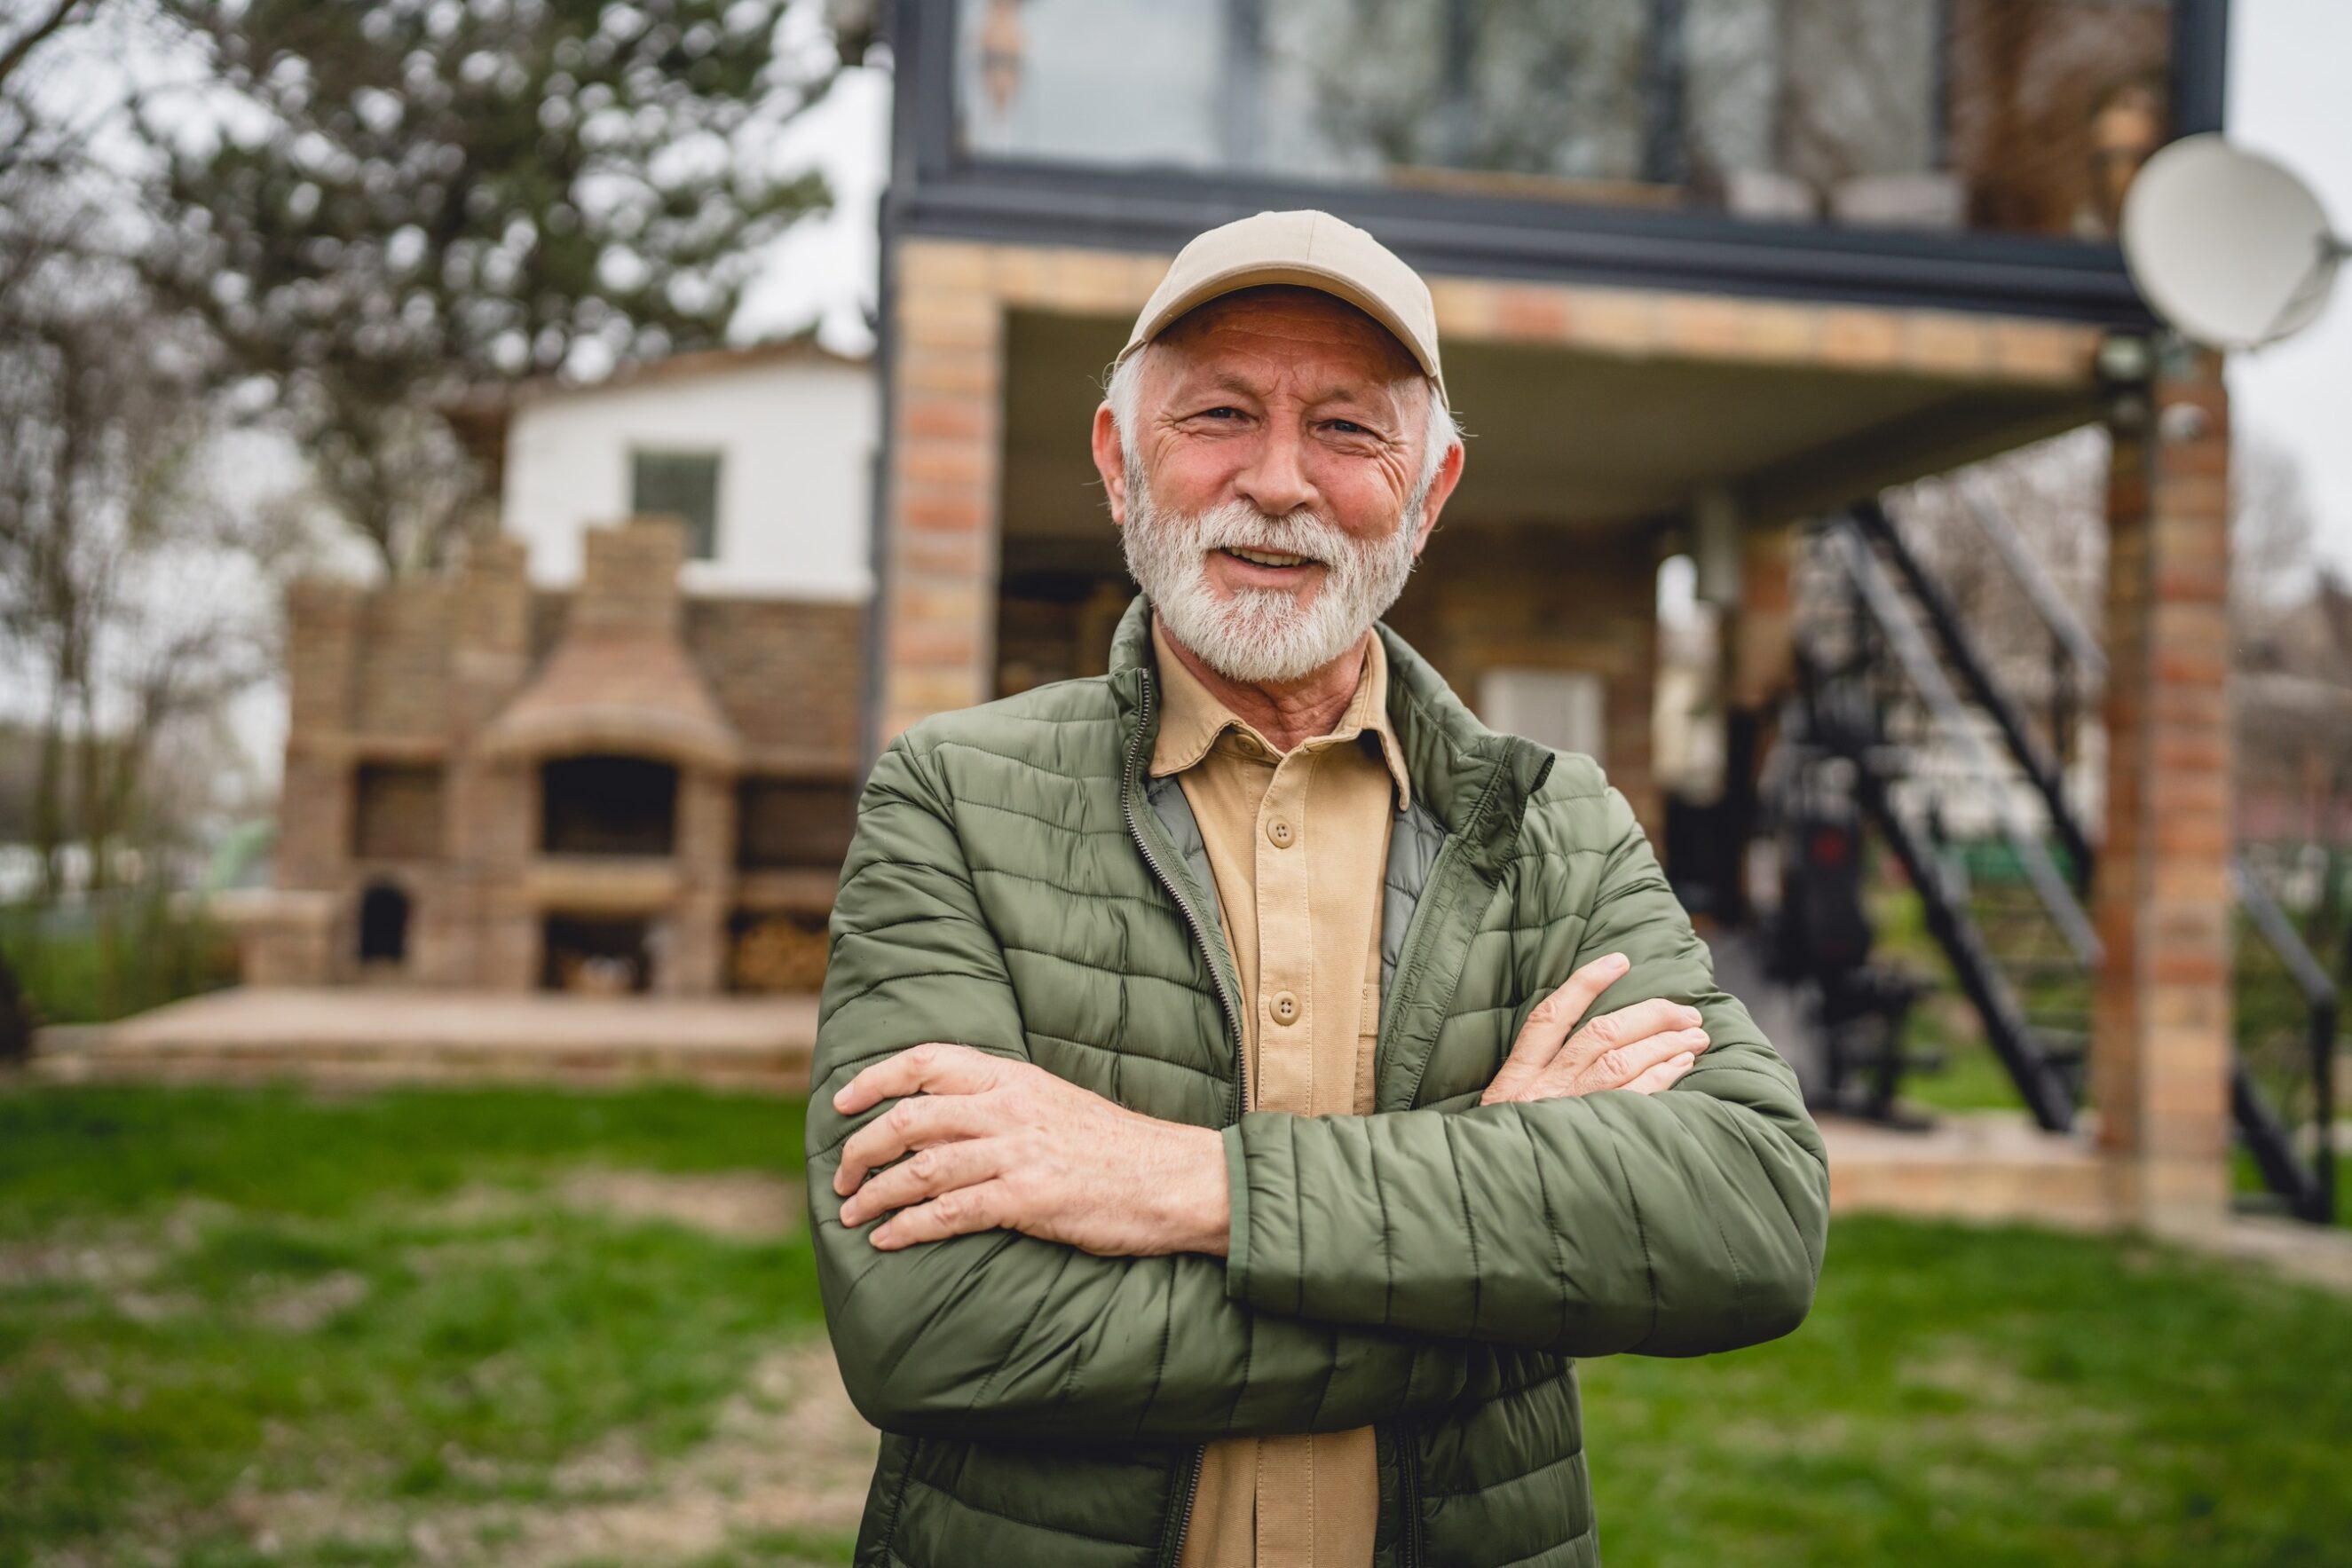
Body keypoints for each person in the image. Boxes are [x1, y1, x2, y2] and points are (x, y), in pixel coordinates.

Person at [808, 209, 1829, 1568]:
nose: (1279, 482)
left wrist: (1187, 1184)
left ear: (1431, 487)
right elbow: (935, 1327)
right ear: (1120, 459)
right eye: (1220, 414)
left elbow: (1749, 1216)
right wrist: (1495, 1256)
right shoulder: (953, 795)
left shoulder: (1552, 823)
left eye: (1348, 430)